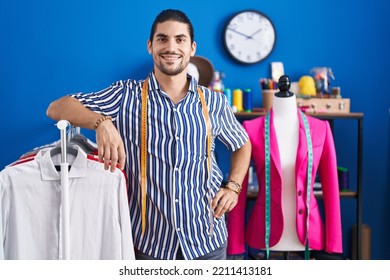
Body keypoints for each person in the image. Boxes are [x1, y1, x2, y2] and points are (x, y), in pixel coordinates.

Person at [46, 9, 251, 260]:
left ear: (192, 48)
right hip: (149, 247)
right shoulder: (125, 96)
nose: (171, 47)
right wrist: (100, 122)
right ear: (150, 46)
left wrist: (233, 187)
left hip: (207, 242)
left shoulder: (214, 102)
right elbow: (56, 108)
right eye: (162, 39)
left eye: (180, 39)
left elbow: (242, 144)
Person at [227, 75, 342, 259]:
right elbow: (237, 190)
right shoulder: (250, 129)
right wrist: (234, 244)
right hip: (264, 231)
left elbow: (332, 191)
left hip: (308, 232)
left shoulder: (321, 129)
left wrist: (334, 244)